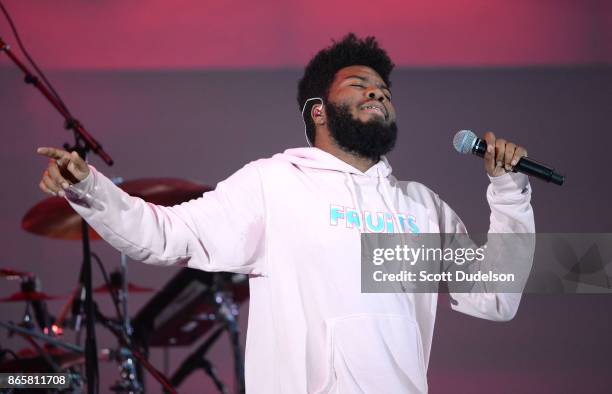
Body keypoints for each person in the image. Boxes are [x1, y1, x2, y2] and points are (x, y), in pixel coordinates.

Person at [36, 34, 533, 394]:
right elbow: (167, 234)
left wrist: (509, 192)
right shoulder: (274, 185)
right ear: (318, 111)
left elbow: (496, 296)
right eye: (359, 84)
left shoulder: (421, 207)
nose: (378, 93)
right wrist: (88, 188)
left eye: (383, 88)